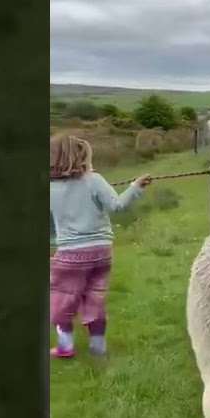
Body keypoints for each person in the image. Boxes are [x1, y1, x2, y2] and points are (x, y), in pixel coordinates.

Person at [49, 134, 152, 359]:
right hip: (101, 253)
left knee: (60, 300)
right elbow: (117, 206)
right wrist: (135, 186)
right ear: (82, 156)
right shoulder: (94, 180)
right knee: (95, 297)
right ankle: (98, 349)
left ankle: (65, 347)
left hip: (70, 255)